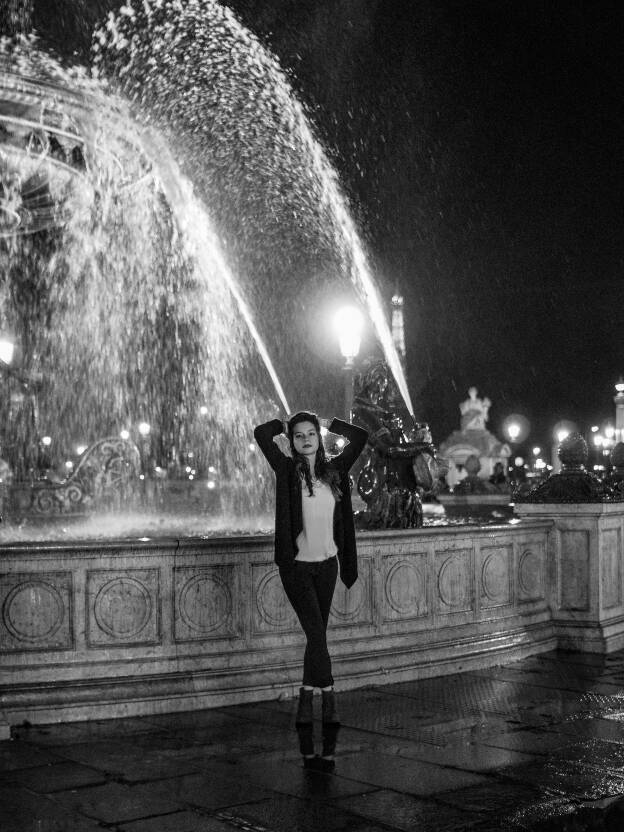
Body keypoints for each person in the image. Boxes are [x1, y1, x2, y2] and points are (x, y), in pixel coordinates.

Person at [254, 411, 368, 770]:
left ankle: (306, 699)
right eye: (298, 435)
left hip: (328, 565)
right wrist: (282, 423)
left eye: (310, 434)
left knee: (317, 636)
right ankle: (329, 696)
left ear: (319, 438)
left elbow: (360, 438)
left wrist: (331, 424)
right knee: (317, 634)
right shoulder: (287, 470)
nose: (305, 439)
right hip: (298, 568)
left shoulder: (334, 471)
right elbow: (261, 434)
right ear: (291, 440)